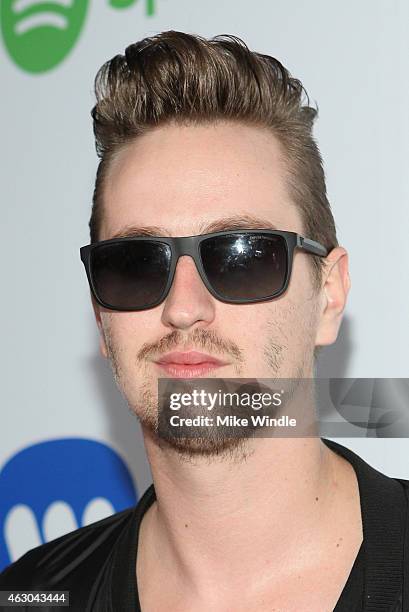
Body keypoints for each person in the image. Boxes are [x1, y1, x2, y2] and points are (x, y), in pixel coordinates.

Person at [1, 30, 408, 612]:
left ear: (329, 295)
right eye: (138, 265)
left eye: (241, 256)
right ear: (99, 313)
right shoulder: (32, 595)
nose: (183, 307)